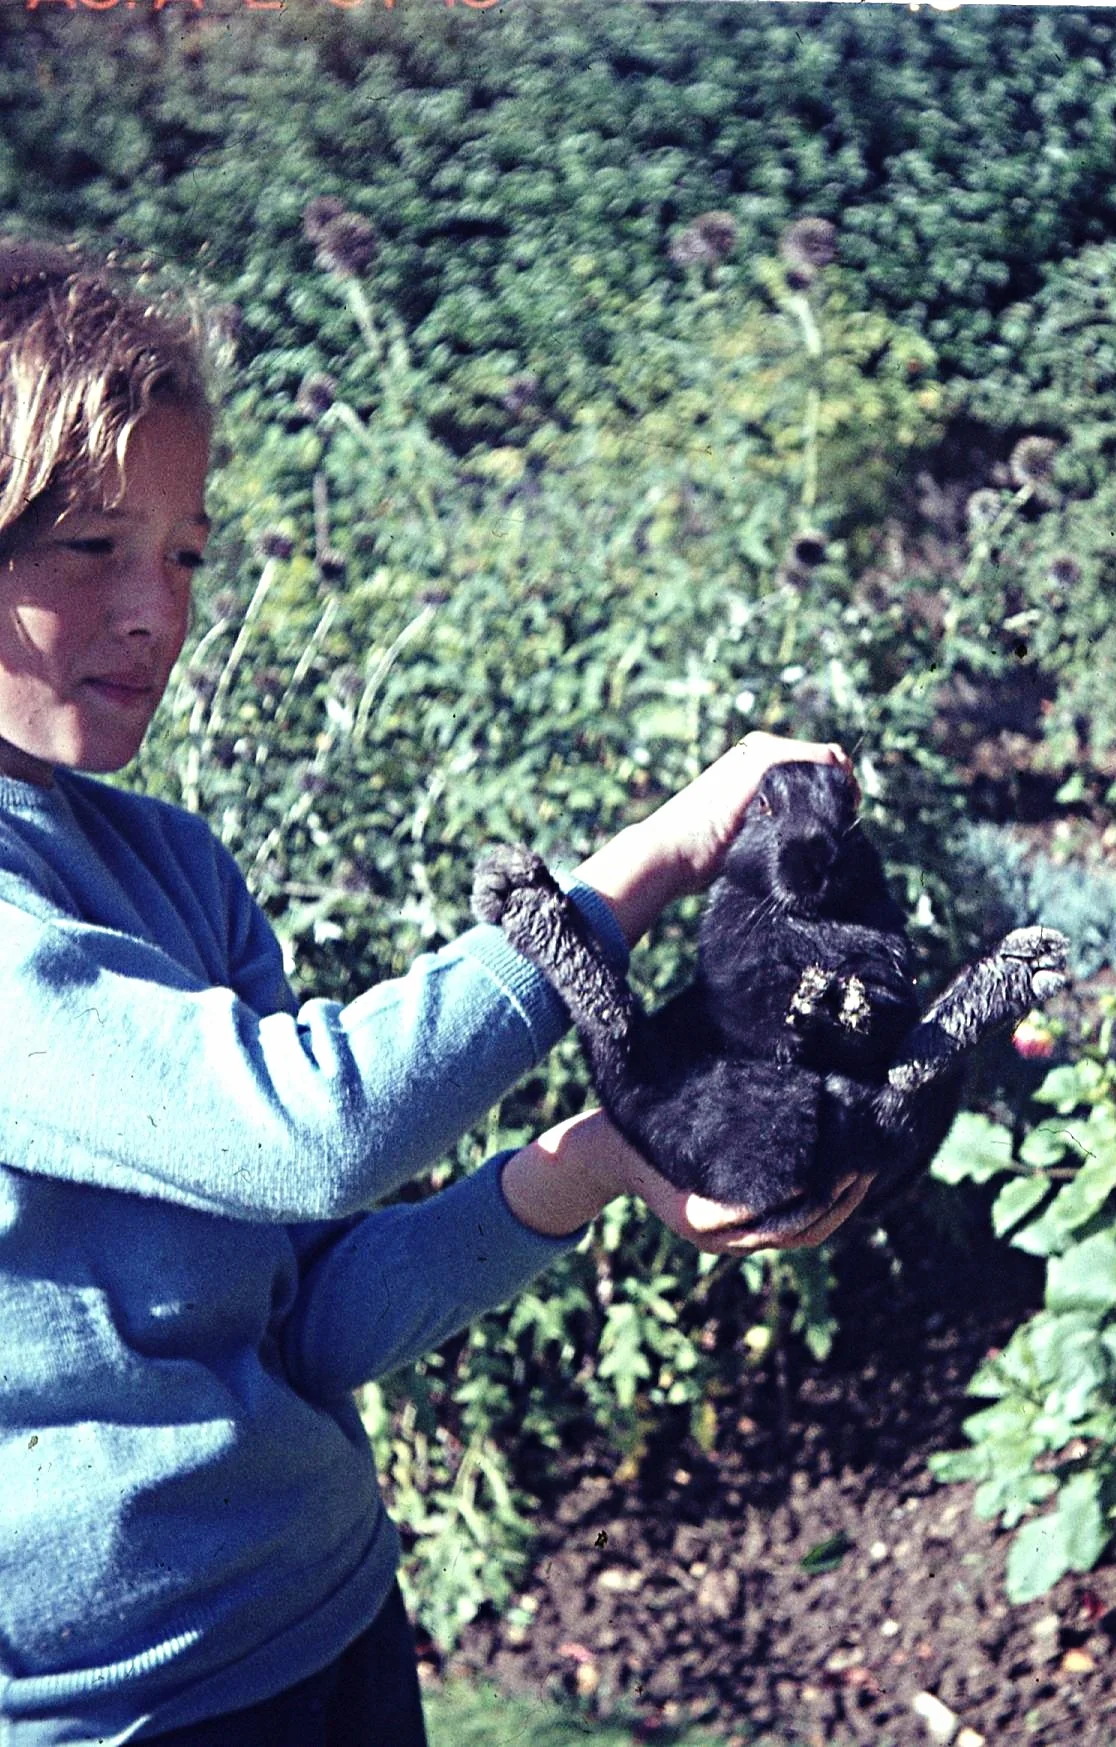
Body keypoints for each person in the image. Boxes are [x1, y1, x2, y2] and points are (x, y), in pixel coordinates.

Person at [0, 237, 870, 1746]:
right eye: (90, 545)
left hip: (327, 1619)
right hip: (110, 1711)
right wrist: (650, 860)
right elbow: (300, 1129)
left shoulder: (176, 866)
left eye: (188, 552)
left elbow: (320, 1312)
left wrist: (603, 1157)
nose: (157, 609)